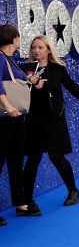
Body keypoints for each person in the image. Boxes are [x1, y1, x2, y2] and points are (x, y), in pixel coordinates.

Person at [23, 35, 79, 211]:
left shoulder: (58, 69)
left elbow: (72, 87)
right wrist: (31, 85)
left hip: (54, 120)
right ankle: (26, 200)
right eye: (34, 47)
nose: (36, 50)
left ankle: (73, 191)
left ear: (49, 50)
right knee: (33, 158)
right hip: (33, 121)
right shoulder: (26, 70)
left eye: (40, 47)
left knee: (56, 156)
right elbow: (20, 93)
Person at [0, 24, 34, 225]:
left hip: (17, 117)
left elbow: (18, 82)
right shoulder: (0, 57)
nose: (20, 40)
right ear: (13, 38)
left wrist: (31, 79)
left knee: (16, 161)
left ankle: (20, 203)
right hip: (4, 119)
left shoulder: (10, 60)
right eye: (19, 37)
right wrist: (8, 106)